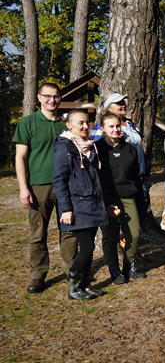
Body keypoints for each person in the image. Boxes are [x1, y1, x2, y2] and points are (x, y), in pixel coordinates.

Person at [13, 83, 77, 294]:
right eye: (47, 96)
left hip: (67, 186)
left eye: (56, 96)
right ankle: (37, 276)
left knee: (69, 231)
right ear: (39, 97)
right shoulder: (28, 123)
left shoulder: (66, 124)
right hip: (39, 186)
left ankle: (73, 273)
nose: (52, 100)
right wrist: (24, 188)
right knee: (38, 233)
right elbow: (20, 157)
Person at [53, 110, 109, 300]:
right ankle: (74, 288)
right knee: (86, 248)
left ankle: (84, 286)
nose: (86, 126)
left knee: (90, 246)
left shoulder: (90, 146)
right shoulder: (64, 147)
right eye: (80, 123)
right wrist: (66, 209)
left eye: (87, 123)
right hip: (77, 205)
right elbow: (59, 181)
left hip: (92, 203)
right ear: (69, 125)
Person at [96, 112, 145, 284]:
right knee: (109, 235)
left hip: (128, 196)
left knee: (135, 232)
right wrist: (105, 199)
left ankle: (129, 265)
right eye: (111, 126)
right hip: (107, 198)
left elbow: (134, 174)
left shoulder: (129, 149)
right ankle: (114, 269)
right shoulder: (97, 149)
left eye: (118, 126)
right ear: (103, 128)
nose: (116, 129)